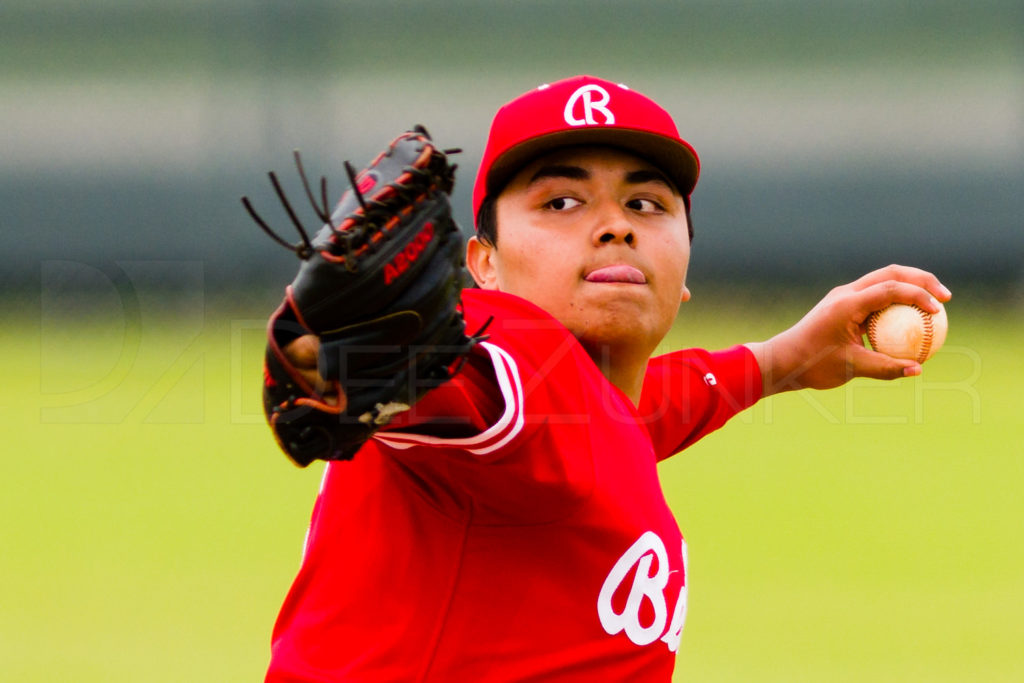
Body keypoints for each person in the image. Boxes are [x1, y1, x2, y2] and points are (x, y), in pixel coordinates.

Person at [264, 75, 951, 681]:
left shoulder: (589, 420)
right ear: (485, 266)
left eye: (647, 204)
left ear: (685, 271)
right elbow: (478, 387)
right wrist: (348, 362)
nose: (614, 226)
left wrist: (779, 361)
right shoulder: (509, 352)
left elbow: (628, 416)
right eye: (561, 202)